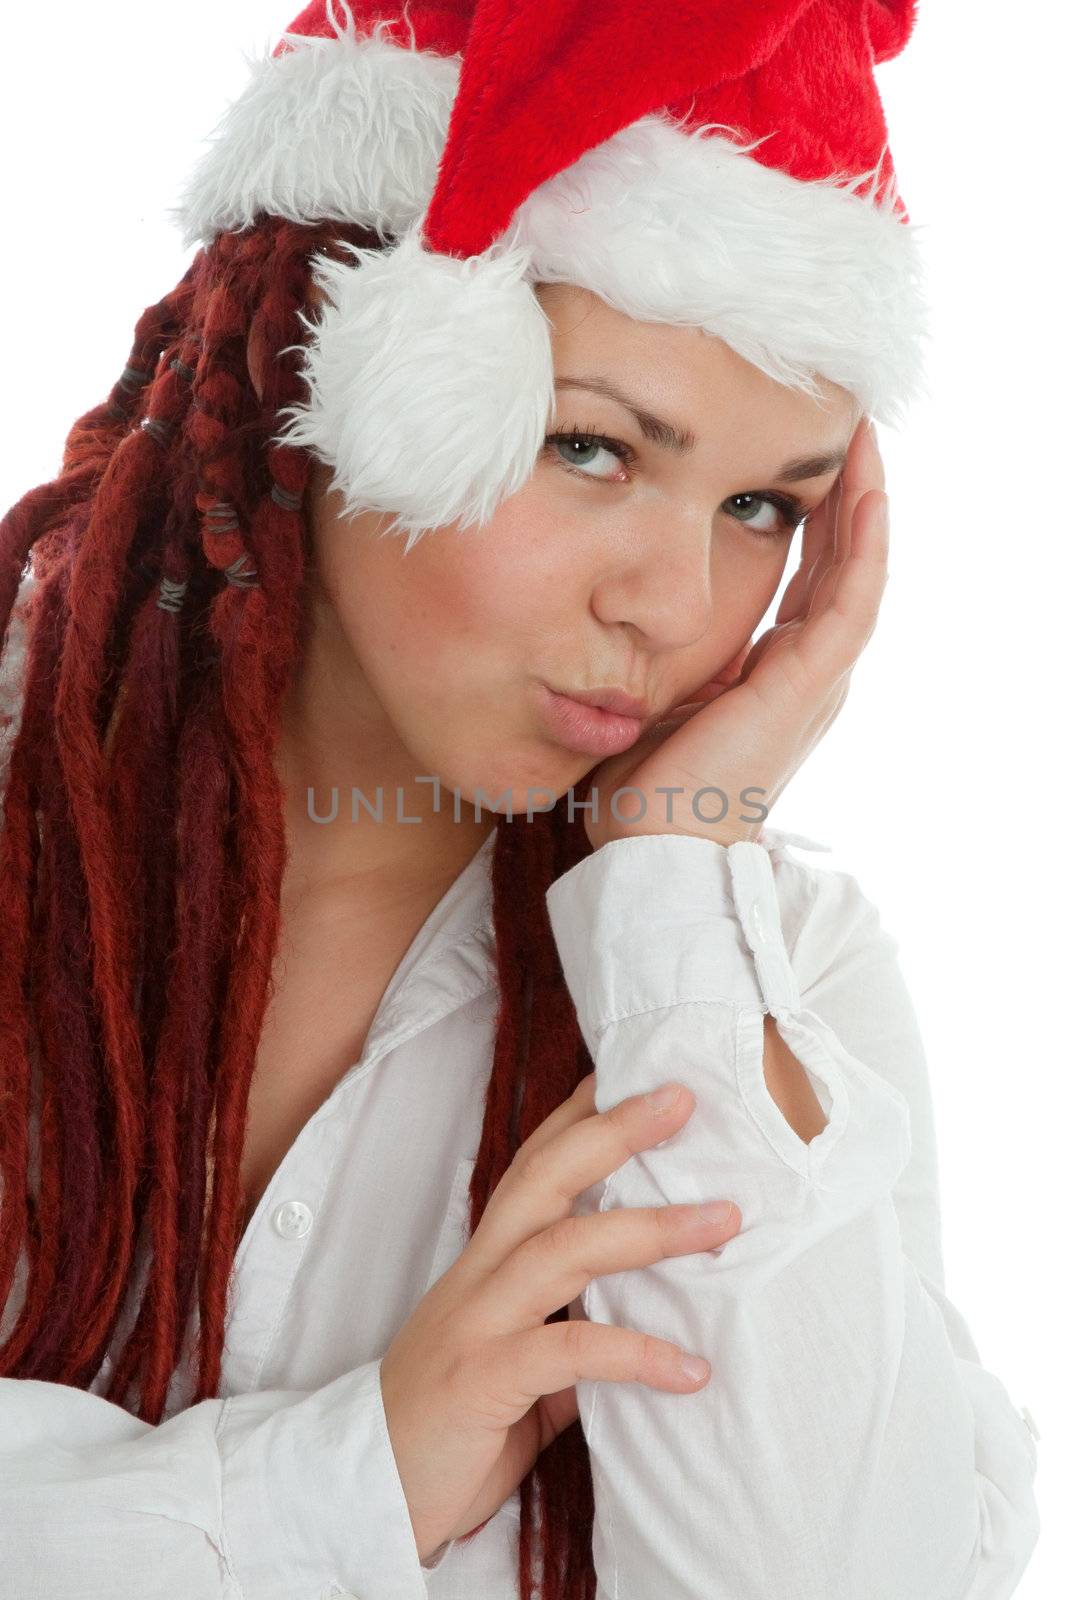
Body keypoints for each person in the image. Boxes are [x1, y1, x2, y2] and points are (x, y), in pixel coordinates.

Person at [0, 2, 1042, 1597]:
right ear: (338, 374)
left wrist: (676, 883)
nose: (681, 603)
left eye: (764, 505)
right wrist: (356, 1482)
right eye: (594, 447)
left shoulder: (769, 985)